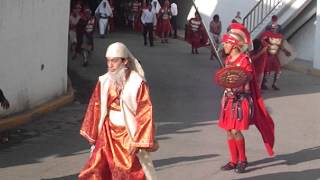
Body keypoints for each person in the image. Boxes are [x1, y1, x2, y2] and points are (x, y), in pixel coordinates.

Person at [79, 42, 158, 180]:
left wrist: (138, 141)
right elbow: (95, 106)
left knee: (129, 172)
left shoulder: (137, 83)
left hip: (128, 134)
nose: (110, 65)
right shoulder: (103, 81)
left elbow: (144, 112)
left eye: (114, 61)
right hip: (107, 132)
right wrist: (94, 135)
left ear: (125, 61)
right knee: (97, 168)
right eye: (108, 61)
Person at [216, 23, 275, 173]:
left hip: (240, 100)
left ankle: (243, 160)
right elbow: (226, 79)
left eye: (228, 43)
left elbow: (247, 77)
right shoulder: (228, 60)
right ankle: (233, 160)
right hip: (228, 99)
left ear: (235, 44)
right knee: (229, 131)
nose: (226, 46)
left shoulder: (245, 60)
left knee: (236, 131)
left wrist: (235, 78)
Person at [260, 15, 291, 90]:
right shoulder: (266, 34)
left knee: (278, 70)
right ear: (271, 28)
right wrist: (266, 45)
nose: (274, 29)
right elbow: (262, 40)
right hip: (267, 54)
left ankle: (275, 84)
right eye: (273, 28)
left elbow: (280, 45)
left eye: (276, 28)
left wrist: (286, 51)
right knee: (266, 70)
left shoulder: (280, 36)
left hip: (274, 56)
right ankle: (263, 83)